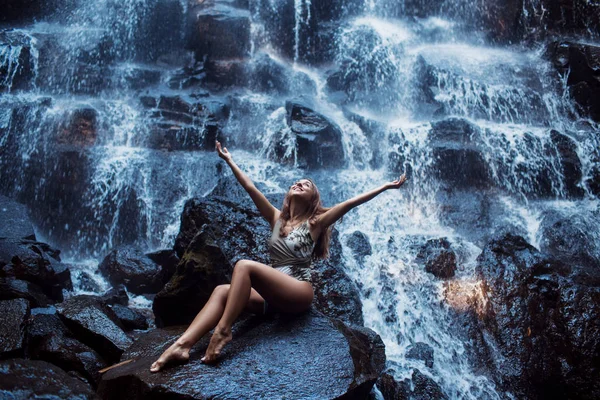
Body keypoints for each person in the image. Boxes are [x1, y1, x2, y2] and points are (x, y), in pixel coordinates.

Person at [150, 140, 408, 372]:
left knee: (244, 266)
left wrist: (385, 186)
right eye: (297, 182)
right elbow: (250, 188)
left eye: (306, 184)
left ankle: (224, 330)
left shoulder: (315, 223)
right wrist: (229, 160)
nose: (299, 183)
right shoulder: (277, 219)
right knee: (221, 290)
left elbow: (351, 203)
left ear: (313, 200)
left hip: (297, 292)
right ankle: (183, 345)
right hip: (270, 298)